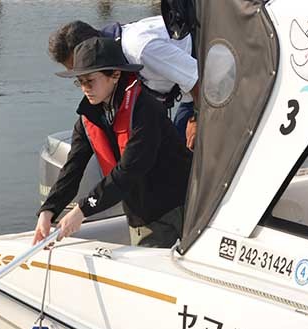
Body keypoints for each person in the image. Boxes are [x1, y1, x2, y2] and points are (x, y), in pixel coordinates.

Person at [32, 37, 192, 247]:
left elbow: (129, 170)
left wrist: (83, 210)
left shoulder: (145, 110)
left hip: (179, 204)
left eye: (90, 81)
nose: (84, 89)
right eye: (79, 82)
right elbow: (73, 168)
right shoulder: (89, 118)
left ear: (115, 75)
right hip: (141, 212)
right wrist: (48, 210)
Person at [48, 17, 200, 150]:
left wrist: (197, 119)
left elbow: (198, 78)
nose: (83, 79)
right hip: (187, 90)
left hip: (209, 84)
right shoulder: (113, 59)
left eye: (83, 70)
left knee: (183, 148)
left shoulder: (140, 49)